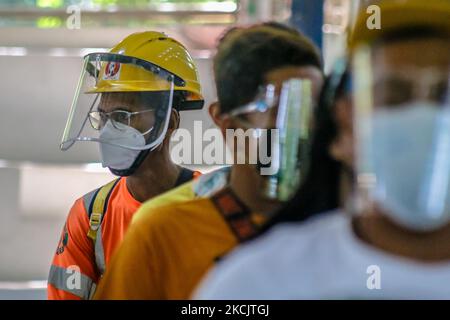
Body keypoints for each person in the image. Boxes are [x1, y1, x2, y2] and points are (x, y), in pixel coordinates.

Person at [194, 0, 450, 299]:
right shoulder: (254, 285)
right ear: (344, 124)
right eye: (393, 95)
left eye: (444, 95)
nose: (425, 119)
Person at [93, 23, 324, 299]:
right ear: (228, 125)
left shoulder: (342, 229)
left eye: (316, 112)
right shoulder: (161, 237)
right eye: (285, 113)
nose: (305, 132)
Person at [48, 31, 204, 300]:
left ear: (170, 122)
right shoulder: (89, 217)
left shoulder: (210, 207)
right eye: (104, 117)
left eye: (122, 116)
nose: (110, 130)